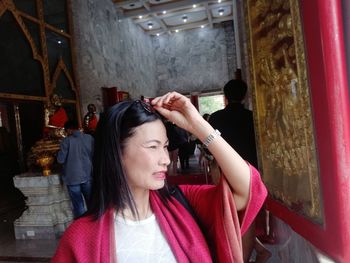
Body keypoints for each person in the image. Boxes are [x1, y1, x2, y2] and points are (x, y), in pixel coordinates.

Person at [52, 91, 267, 263]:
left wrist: (197, 125)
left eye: (165, 147)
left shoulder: (182, 202)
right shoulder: (81, 238)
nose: (165, 159)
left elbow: (248, 189)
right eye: (153, 147)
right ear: (116, 153)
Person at [209, 80, 271, 263]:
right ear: (245, 95)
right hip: (250, 170)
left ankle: (244, 257)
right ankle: (256, 251)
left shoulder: (216, 117)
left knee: (233, 215)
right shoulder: (253, 117)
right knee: (244, 215)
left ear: (225, 96)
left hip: (224, 170)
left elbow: (208, 144)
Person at [57, 120, 94, 219]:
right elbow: (94, 155)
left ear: (68, 130)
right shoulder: (89, 138)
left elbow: (60, 160)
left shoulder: (66, 141)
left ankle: (82, 227)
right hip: (87, 175)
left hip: (72, 177)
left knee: (78, 205)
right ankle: (93, 224)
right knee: (91, 202)